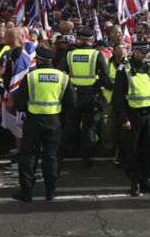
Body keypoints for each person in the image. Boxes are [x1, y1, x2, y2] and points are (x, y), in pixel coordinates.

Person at [11, 46, 75, 203]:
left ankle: (26, 192)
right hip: (54, 120)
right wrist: (61, 115)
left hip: (34, 120)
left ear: (38, 60)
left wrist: (26, 109)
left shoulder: (31, 76)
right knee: (51, 156)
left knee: (29, 156)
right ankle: (50, 192)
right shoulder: (63, 77)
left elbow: (19, 101)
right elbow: (71, 100)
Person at [111, 40, 150, 196]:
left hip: (149, 114)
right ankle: (135, 182)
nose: (145, 55)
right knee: (132, 150)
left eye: (147, 53)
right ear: (135, 51)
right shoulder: (123, 68)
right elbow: (118, 96)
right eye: (142, 52)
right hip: (132, 116)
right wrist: (123, 118)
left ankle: (147, 179)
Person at [59, 28, 107, 168]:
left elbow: (61, 72)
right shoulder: (96, 54)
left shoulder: (70, 54)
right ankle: (86, 158)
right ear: (92, 40)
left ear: (79, 39)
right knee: (89, 127)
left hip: (73, 94)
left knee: (70, 126)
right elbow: (104, 76)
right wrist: (96, 86)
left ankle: (61, 156)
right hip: (90, 95)